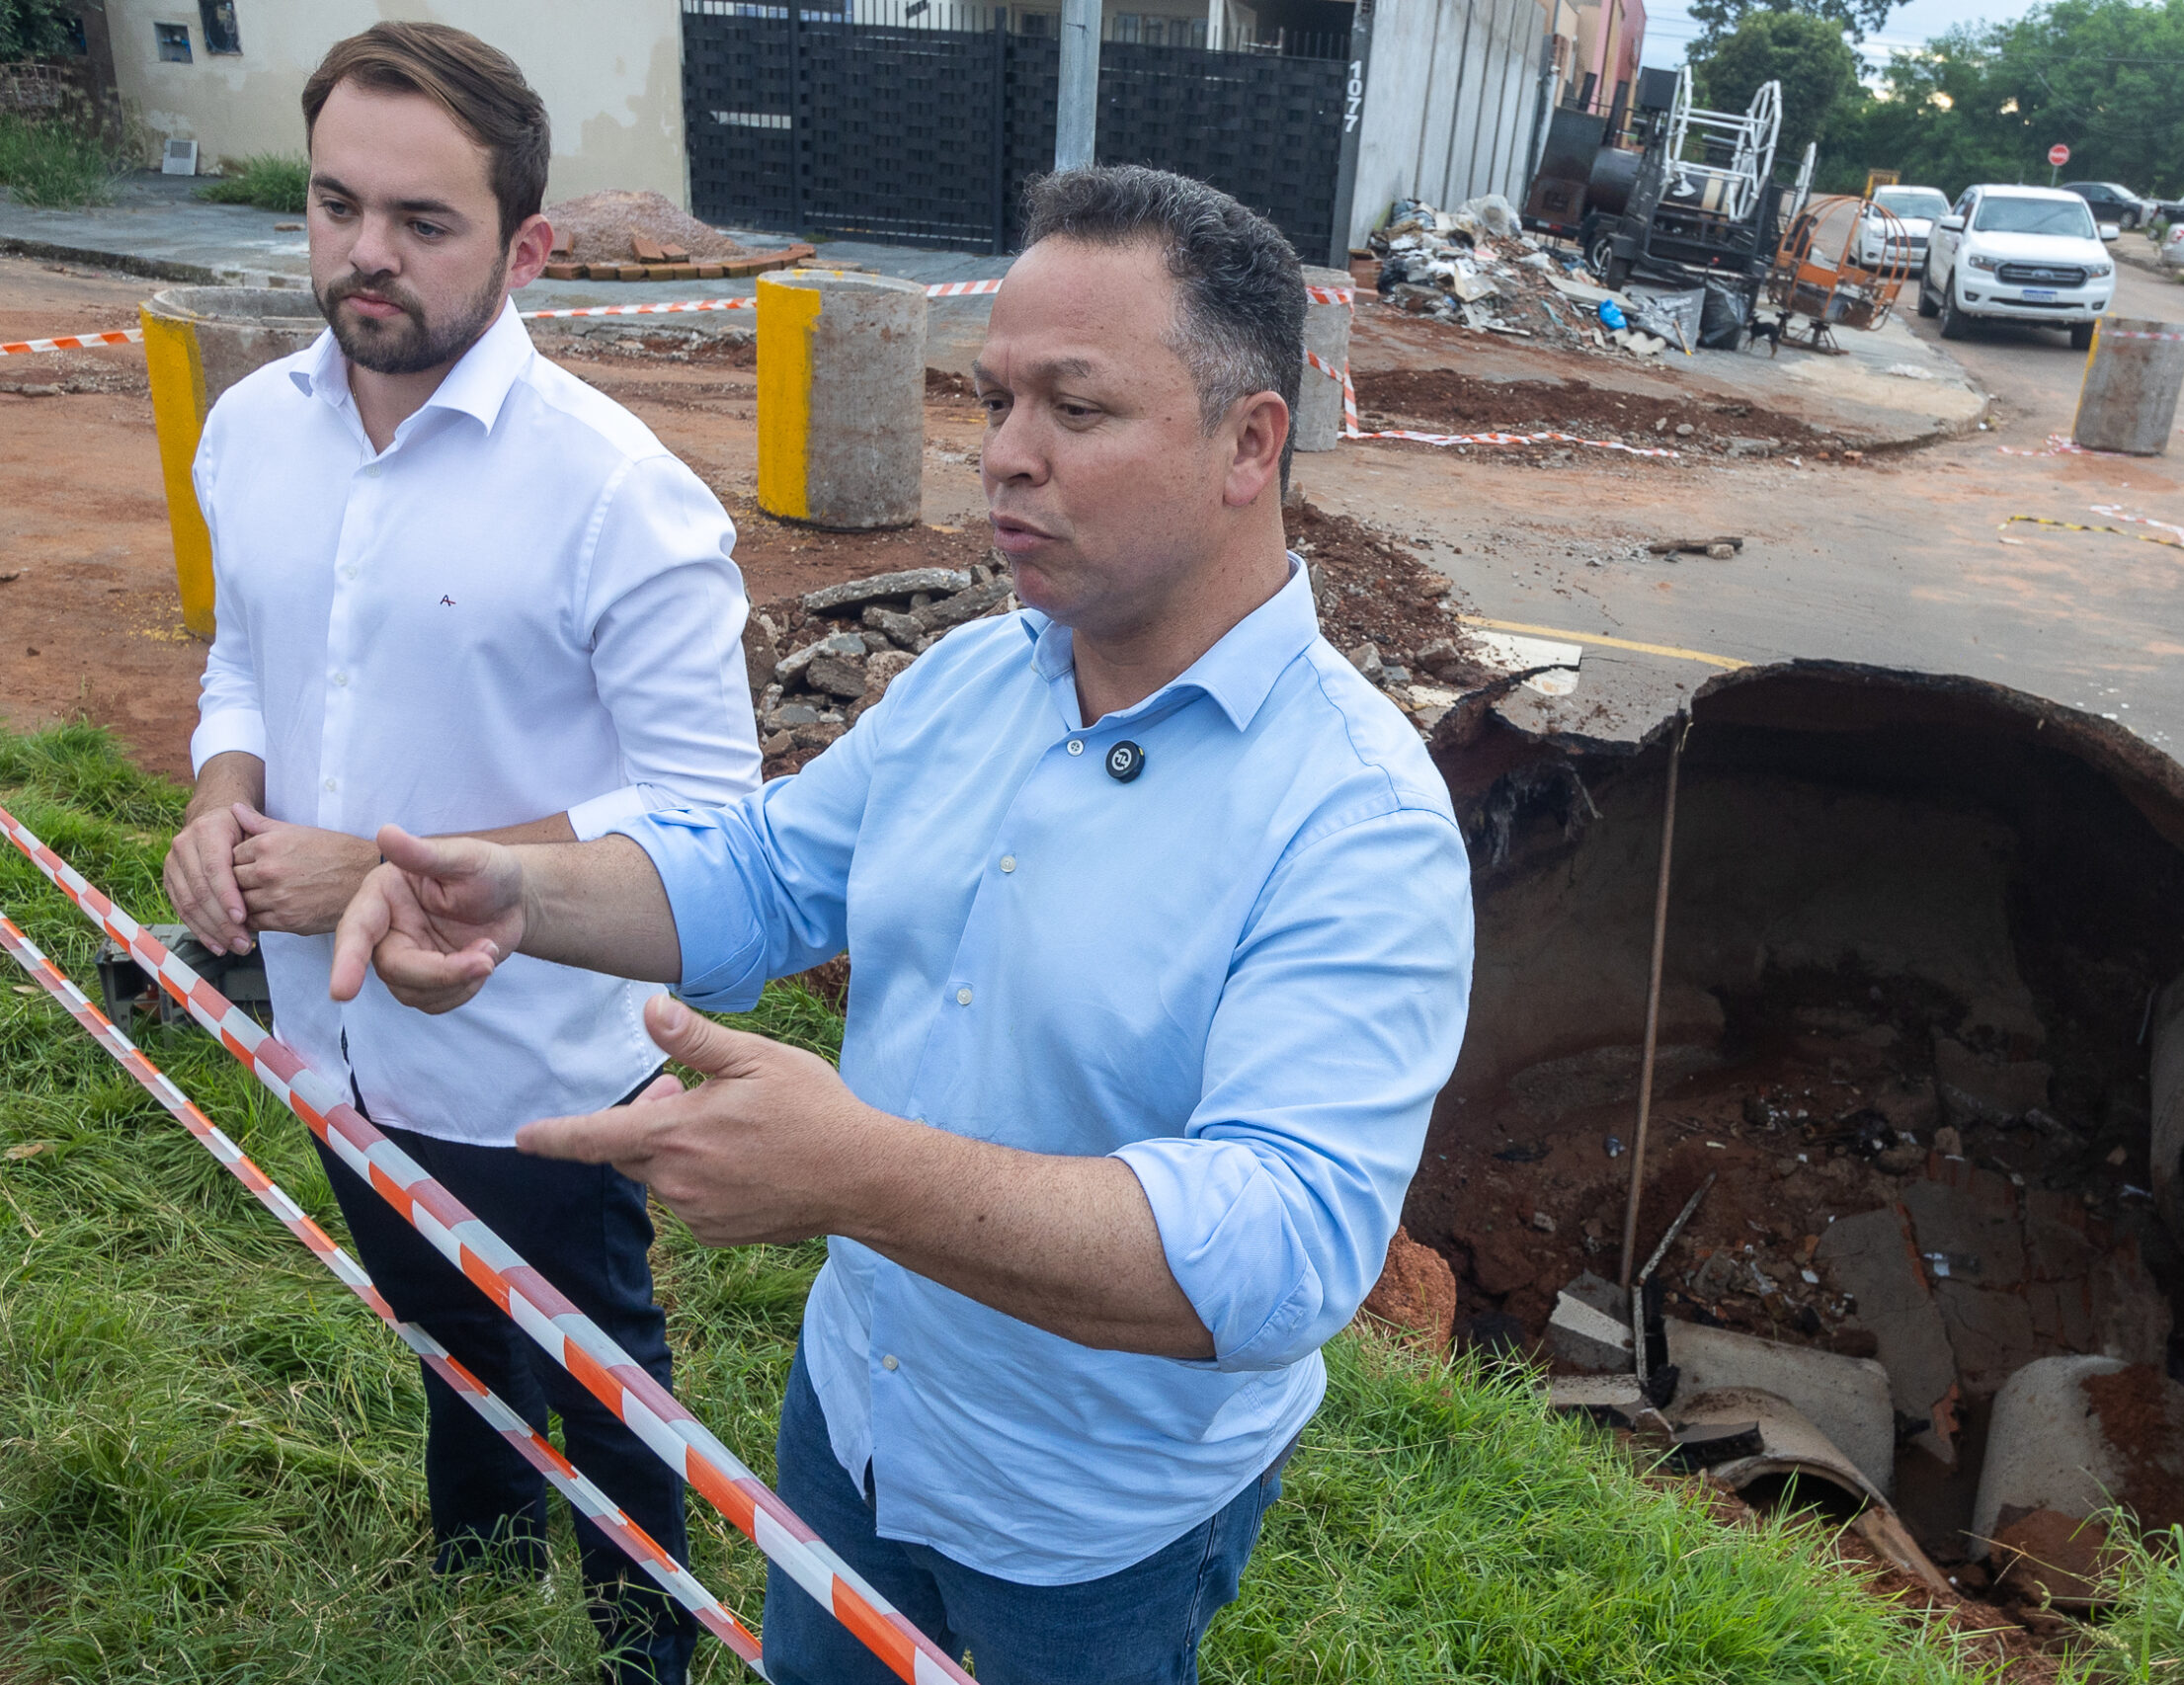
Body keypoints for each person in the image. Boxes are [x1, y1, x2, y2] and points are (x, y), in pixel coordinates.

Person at [328, 165, 1476, 1684]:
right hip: (855, 1415)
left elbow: (1284, 1251)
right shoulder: (972, 683)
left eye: (1075, 408)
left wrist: (858, 1171)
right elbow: (763, 876)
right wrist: (518, 890)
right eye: (995, 398)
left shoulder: (1359, 819)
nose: (1005, 456)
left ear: (1248, 442)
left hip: (1094, 1521)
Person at [160, 23, 760, 1683]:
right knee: (434, 1317)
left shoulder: (621, 500)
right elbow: (243, 657)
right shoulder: (252, 434)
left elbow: (712, 818)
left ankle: (652, 1636)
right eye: (337, 205)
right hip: (326, 1033)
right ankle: (479, 1560)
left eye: (423, 221)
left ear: (529, 246)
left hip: (534, 1062)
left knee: (595, 1357)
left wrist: (377, 857)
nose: (366, 253)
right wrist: (223, 795)